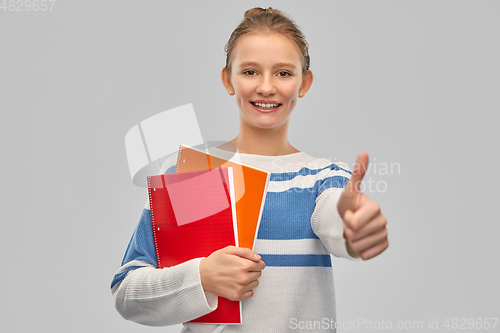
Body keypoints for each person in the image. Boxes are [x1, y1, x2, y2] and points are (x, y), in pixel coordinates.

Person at [111, 7, 388, 332]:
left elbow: (340, 219)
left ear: (305, 82)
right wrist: (202, 277)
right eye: (250, 72)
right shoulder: (193, 175)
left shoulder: (322, 179)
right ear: (228, 79)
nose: (266, 87)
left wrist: (355, 229)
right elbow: (127, 293)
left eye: (284, 73)